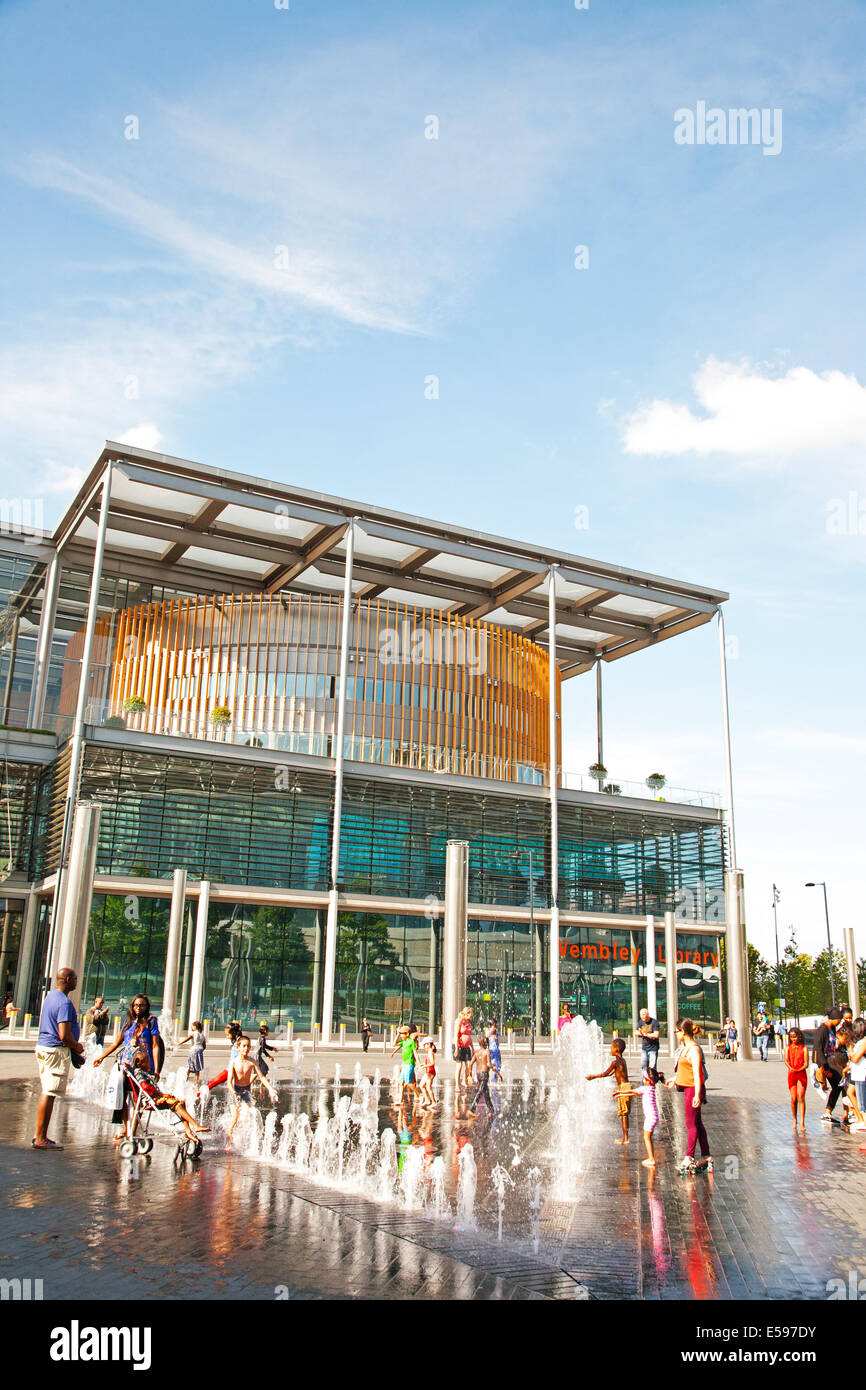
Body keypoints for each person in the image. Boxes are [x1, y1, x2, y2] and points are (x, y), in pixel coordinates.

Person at [33, 967, 85, 1150]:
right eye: (76, 979)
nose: (77, 982)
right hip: (55, 1050)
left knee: (48, 1091)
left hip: (45, 1047)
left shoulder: (50, 997)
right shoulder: (63, 1002)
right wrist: (76, 1046)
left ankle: (40, 1135)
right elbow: (64, 1034)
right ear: (68, 979)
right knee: (49, 1092)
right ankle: (41, 1138)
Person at [126, 1042, 210, 1145]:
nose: (149, 1064)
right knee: (176, 1104)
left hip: (155, 1097)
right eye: (146, 1062)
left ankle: (188, 1131)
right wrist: (163, 1095)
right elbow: (145, 1087)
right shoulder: (138, 1072)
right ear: (139, 1064)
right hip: (151, 1100)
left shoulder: (143, 1072)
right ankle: (195, 1125)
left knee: (181, 1102)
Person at [666, 1019, 711, 1173]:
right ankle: (706, 1157)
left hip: (693, 1088)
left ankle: (689, 1157)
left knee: (691, 1124)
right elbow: (685, 1070)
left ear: (683, 1032)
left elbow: (698, 1075)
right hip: (688, 1087)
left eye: (676, 1031)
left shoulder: (694, 1049)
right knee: (697, 1124)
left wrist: (697, 1094)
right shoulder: (685, 1048)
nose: (676, 1034)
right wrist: (675, 1079)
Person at [95, 994, 163, 1076]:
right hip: (126, 1063)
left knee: (141, 1086)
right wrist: (102, 1057)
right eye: (136, 1005)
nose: (138, 1007)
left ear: (146, 1007)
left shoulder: (151, 1021)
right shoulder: (128, 1022)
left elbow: (155, 1046)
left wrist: (156, 1070)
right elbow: (116, 1042)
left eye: (142, 1005)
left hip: (143, 1064)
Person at [227, 1036, 277, 1144]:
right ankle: (229, 1138)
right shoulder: (234, 1062)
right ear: (238, 1047)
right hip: (235, 1091)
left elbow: (262, 1077)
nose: (246, 1048)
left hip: (246, 1092)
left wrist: (270, 1089)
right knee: (235, 1117)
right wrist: (234, 1093)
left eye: (248, 1046)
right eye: (244, 1046)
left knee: (245, 1117)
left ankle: (239, 1139)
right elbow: (229, 1082)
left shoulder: (252, 1061)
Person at [587, 1038, 631, 1146]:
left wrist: (593, 1076)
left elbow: (606, 1073)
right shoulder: (622, 1060)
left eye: (611, 1047)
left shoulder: (615, 1062)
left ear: (616, 1049)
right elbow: (612, 1073)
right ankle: (624, 1136)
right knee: (622, 1113)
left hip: (623, 1088)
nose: (610, 1050)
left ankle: (625, 1138)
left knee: (623, 1114)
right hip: (625, 1087)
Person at [617, 1067, 663, 1166]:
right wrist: (621, 1094)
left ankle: (651, 1159)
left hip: (650, 1118)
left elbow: (632, 1092)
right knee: (648, 1138)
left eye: (644, 1079)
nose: (643, 1080)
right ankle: (651, 1157)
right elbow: (633, 1093)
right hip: (653, 1116)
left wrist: (620, 1093)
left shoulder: (645, 1089)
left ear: (648, 1081)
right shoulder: (651, 1088)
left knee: (646, 1138)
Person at [813, 1005, 843, 1122]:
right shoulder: (823, 1030)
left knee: (839, 1085)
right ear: (832, 1018)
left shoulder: (832, 1029)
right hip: (826, 1063)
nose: (839, 1022)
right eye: (838, 1020)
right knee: (839, 1084)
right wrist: (823, 1067)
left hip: (833, 1061)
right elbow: (818, 1048)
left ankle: (828, 1111)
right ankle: (828, 1111)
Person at [784, 1026, 808, 1132]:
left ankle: (802, 1122)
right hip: (792, 1074)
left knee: (801, 1097)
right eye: (792, 1037)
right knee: (793, 1098)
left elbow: (806, 1064)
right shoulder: (787, 1048)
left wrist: (798, 1069)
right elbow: (786, 1060)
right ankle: (794, 1119)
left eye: (795, 1037)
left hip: (801, 1074)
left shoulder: (804, 1049)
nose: (794, 1039)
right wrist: (791, 1068)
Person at [207, 1021, 242, 1090]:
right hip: (230, 1068)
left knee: (213, 1082)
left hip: (232, 1069)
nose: (227, 1037)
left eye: (228, 1035)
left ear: (234, 1033)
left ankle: (195, 1095)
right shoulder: (237, 1041)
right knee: (213, 1083)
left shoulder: (239, 1042)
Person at [390, 1024, 419, 1108]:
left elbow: (415, 1053)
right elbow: (394, 1044)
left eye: (402, 1034)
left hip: (410, 1064)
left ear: (407, 1034)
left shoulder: (411, 1041)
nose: (401, 1035)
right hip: (405, 1064)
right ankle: (400, 1100)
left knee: (408, 1082)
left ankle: (419, 1095)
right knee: (401, 1082)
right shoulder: (404, 1042)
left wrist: (418, 1063)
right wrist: (398, 1034)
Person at [469, 1035, 496, 1117]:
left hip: (478, 1074)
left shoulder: (477, 1053)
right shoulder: (487, 1052)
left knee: (486, 1091)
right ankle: (472, 1109)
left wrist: (469, 1075)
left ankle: (491, 1110)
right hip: (484, 1073)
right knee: (481, 1091)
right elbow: (488, 1063)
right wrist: (493, 1067)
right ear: (486, 1044)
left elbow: (470, 1064)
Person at [177, 1021, 207, 1085]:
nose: (191, 1027)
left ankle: (185, 1080)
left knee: (189, 1066)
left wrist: (180, 1043)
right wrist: (200, 1051)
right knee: (197, 1069)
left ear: (195, 1027)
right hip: (200, 1050)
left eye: (192, 1026)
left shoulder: (194, 1033)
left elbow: (187, 1039)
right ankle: (195, 1083)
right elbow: (204, 1046)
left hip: (193, 1050)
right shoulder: (203, 1035)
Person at [637, 1007, 660, 1078]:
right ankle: (643, 1084)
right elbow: (636, 1031)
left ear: (647, 1014)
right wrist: (640, 1033)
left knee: (652, 1068)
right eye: (641, 1015)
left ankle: (652, 1084)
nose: (643, 1016)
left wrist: (646, 1035)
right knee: (643, 1067)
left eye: (644, 1014)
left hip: (653, 1048)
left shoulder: (654, 1022)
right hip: (644, 1048)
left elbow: (656, 1034)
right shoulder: (640, 1022)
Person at [454, 1007, 474, 1089]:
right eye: (471, 1015)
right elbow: (456, 1035)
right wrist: (456, 1047)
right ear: (466, 1014)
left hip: (467, 1047)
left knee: (469, 1065)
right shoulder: (459, 1021)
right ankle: (457, 1084)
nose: (471, 1017)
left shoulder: (468, 1023)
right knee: (459, 1066)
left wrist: (472, 1047)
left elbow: (469, 1036)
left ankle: (464, 1080)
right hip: (459, 1046)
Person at [418, 1037, 437, 1108]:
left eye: (425, 1045)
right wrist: (422, 1064)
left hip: (430, 1072)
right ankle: (427, 1100)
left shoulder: (430, 1052)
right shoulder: (429, 1052)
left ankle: (434, 1102)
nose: (424, 1047)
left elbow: (432, 1063)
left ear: (428, 1044)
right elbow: (428, 1062)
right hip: (428, 1071)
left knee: (428, 1087)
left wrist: (424, 1066)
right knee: (421, 1085)